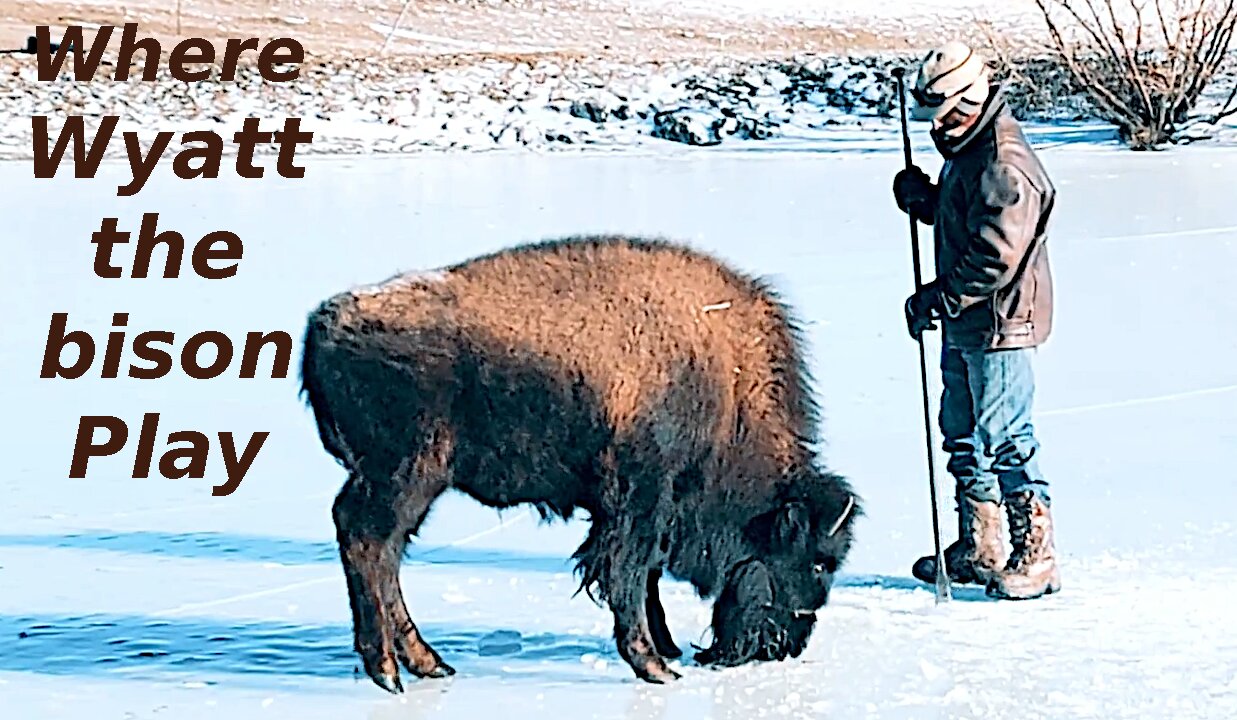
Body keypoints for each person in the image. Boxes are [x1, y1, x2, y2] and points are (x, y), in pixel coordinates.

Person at [893, 41, 1060, 600]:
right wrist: (929, 202)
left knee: (1007, 436)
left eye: (944, 114)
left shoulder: (1003, 161)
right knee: (962, 432)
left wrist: (938, 298)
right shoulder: (968, 152)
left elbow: (995, 254)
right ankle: (980, 543)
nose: (938, 127)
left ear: (971, 97)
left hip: (1001, 322)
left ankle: (1036, 552)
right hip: (968, 320)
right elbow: (966, 218)